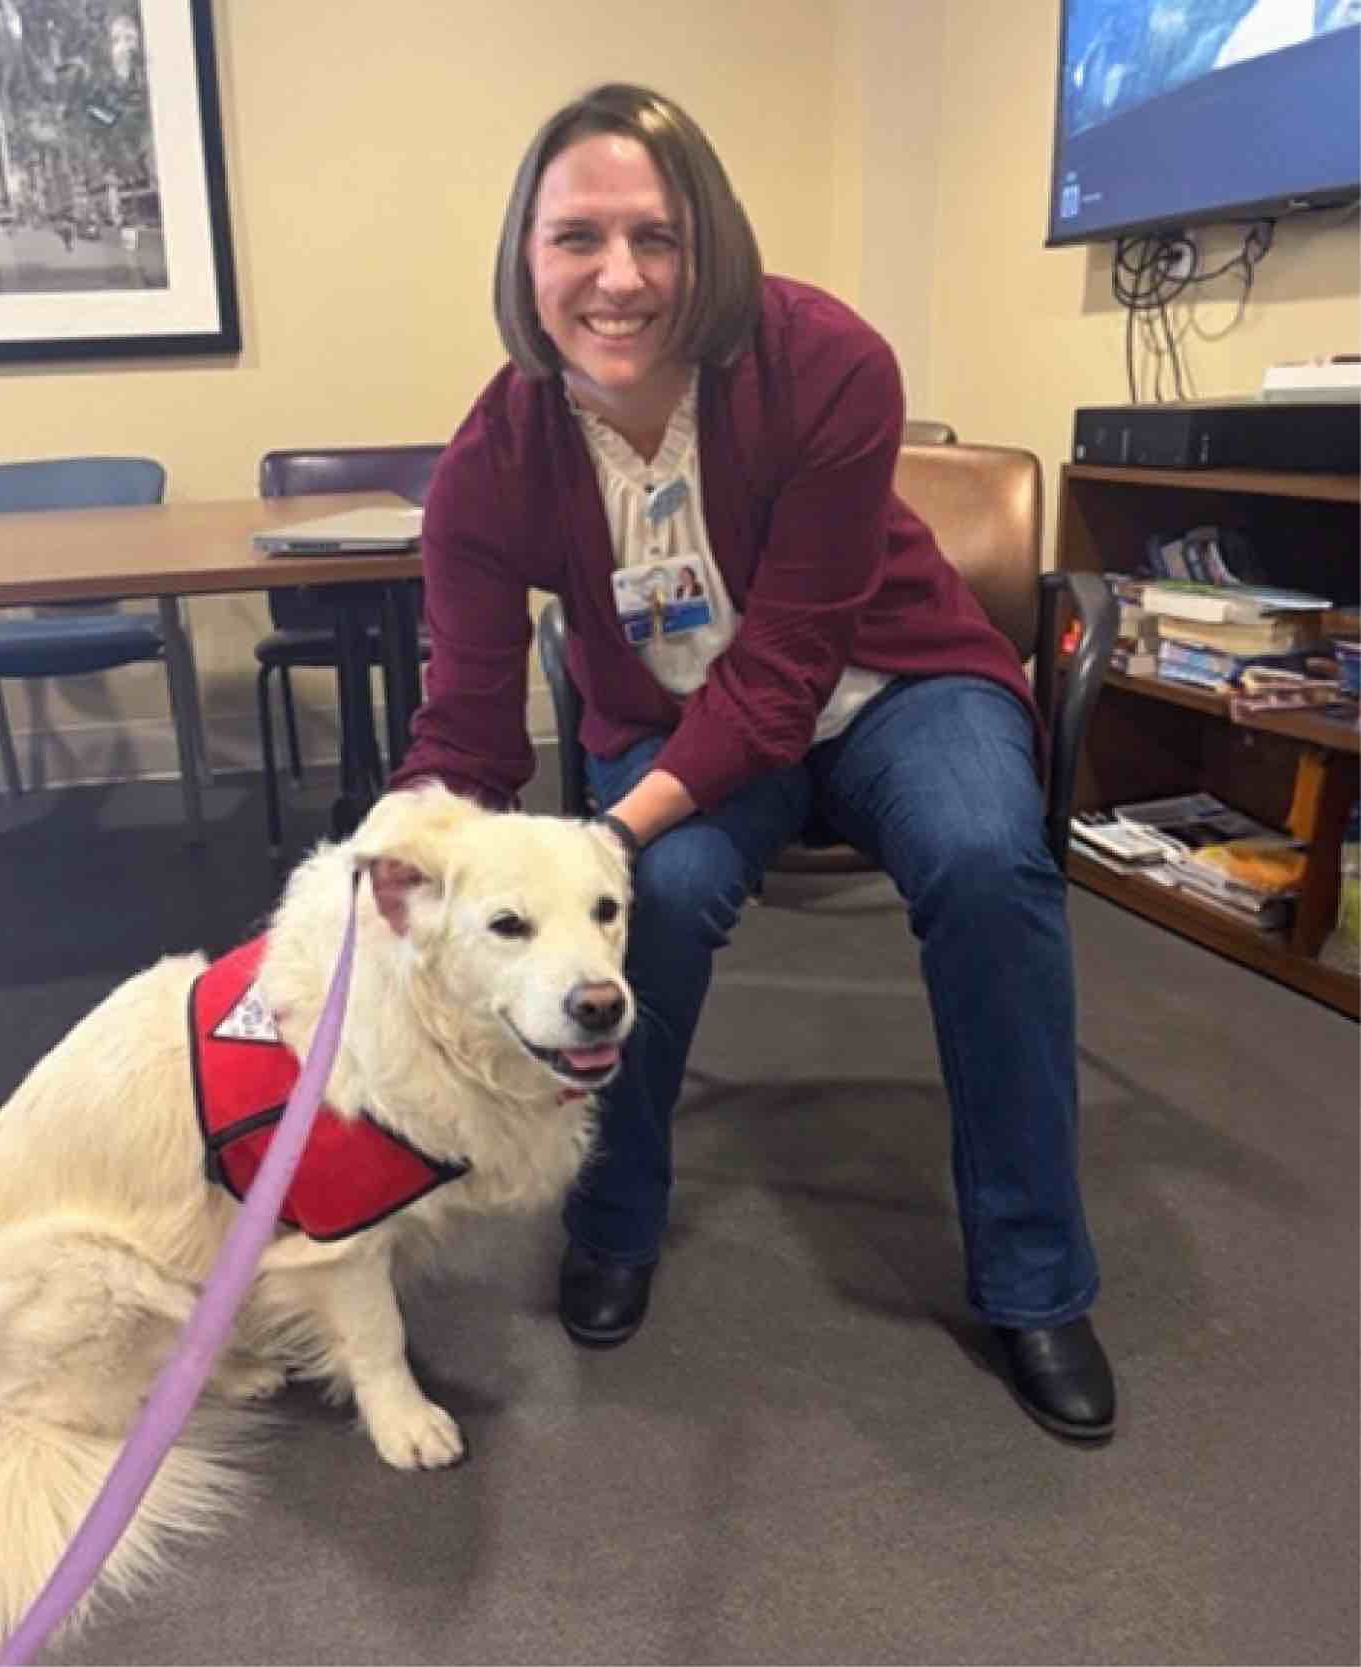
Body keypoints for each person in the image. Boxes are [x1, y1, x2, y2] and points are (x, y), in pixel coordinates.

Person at [386, 83, 1114, 1443]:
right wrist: (382, 859)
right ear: (523, 258)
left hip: (892, 684)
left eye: (657, 238)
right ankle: (612, 1218)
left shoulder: (826, 362)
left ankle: (1035, 1279)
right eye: (577, 239)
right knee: (647, 905)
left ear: (710, 244)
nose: (619, 278)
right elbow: (469, 729)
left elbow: (788, 671)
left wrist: (618, 826)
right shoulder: (489, 463)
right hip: (680, 723)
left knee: (986, 865)